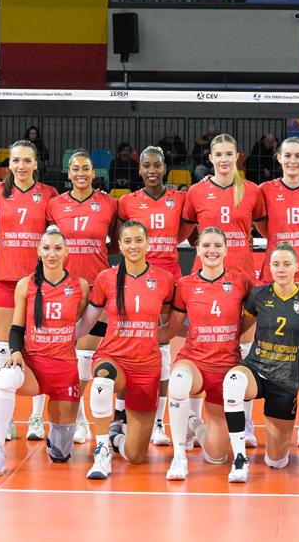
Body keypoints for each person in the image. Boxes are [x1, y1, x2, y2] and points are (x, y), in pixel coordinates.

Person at [0, 229, 90, 475]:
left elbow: (83, 323)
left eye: (58, 248)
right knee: (5, 378)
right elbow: (16, 328)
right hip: (33, 368)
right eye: (47, 248)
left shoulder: (80, 286)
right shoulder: (26, 285)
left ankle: (58, 437)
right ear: (39, 251)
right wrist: (15, 351)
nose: (52, 254)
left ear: (66, 252)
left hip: (64, 372)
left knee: (60, 455)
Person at [75, 221, 176, 479]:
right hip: (113, 356)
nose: (133, 246)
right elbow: (88, 321)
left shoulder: (164, 279)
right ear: (119, 245)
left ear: (148, 243)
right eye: (127, 241)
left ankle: (116, 439)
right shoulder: (106, 278)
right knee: (102, 379)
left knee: (136, 456)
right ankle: (102, 451)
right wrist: (65, 338)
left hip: (146, 365)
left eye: (138, 240)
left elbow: (167, 324)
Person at [182, 134, 267, 441]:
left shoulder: (252, 191)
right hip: (205, 277)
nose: (223, 159)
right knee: (199, 343)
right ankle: (191, 423)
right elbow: (187, 230)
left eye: (228, 154)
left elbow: (265, 229)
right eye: (218, 154)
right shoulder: (196, 192)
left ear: (237, 156)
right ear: (210, 158)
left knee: (242, 346)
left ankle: (245, 422)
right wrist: (206, 251)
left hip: (241, 275)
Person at [221, 245, 299, 483]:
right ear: (269, 267)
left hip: (285, 382)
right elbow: (240, 327)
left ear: (297, 267)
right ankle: (239, 459)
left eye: (287, 264)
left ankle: (274, 452)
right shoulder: (259, 295)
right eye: (276, 264)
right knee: (233, 381)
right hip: (256, 369)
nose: (281, 269)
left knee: (277, 461)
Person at [117, 146, 193, 447]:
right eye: (146, 165)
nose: (151, 170)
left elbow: (187, 234)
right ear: (139, 169)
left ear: (164, 168)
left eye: (157, 165)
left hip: (168, 279)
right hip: (135, 279)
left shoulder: (179, 199)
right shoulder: (127, 202)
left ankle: (159, 422)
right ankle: (121, 417)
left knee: (161, 347)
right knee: (131, 345)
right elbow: (118, 237)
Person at [164, 228, 254, 480]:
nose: (211, 250)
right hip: (194, 361)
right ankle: (179, 456)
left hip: (226, 367)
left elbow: (253, 316)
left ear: (226, 250)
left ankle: (193, 422)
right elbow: (173, 327)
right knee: (178, 382)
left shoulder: (242, 282)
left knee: (216, 456)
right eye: (205, 245)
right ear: (197, 250)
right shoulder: (185, 285)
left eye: (217, 245)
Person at [0, 140, 59, 441]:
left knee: (38, 348)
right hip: (4, 278)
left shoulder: (49, 194)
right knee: (3, 346)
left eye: (27, 160)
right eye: (16, 160)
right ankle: (7, 418)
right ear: (9, 164)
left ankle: (36, 418)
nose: (21, 166)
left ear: (36, 164)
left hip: (38, 282)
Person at [257, 137, 299, 447]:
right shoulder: (266, 190)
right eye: (288, 155)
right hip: (275, 276)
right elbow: (264, 228)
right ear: (279, 158)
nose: (293, 161)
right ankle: (270, 417)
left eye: (298, 155)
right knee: (274, 346)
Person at [47, 152, 120, 438]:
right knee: (62, 357)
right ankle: (73, 419)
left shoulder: (109, 203)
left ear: (93, 172)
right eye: (75, 168)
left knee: (85, 357)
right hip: (63, 289)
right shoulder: (55, 205)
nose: (80, 173)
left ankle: (80, 419)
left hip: (96, 288)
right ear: (68, 173)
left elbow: (116, 241)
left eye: (85, 168)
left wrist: (97, 252)